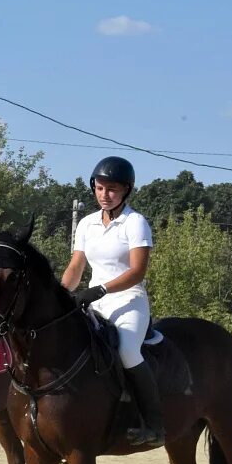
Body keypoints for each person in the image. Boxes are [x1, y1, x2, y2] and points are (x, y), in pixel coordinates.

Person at [61, 156, 165, 446]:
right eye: (100, 188)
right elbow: (75, 267)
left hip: (128, 299)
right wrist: (62, 295)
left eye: (112, 189)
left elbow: (137, 271)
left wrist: (101, 290)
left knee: (128, 351)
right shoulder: (86, 224)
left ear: (126, 190)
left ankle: (154, 426)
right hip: (94, 299)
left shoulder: (136, 223)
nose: (105, 195)